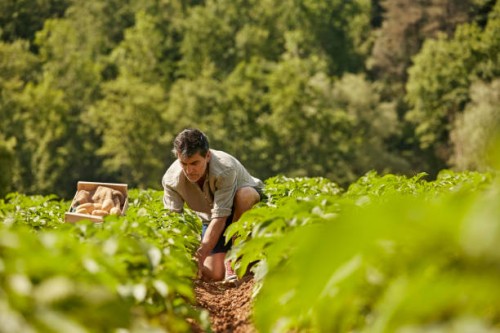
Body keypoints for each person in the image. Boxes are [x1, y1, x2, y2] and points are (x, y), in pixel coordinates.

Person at [162, 128, 264, 282]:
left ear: (207, 155)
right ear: (178, 157)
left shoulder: (225, 169)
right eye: (184, 163)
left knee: (245, 195)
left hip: (242, 210)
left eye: (195, 163)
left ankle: (236, 256)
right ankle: (226, 261)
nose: (189, 170)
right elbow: (172, 220)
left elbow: (221, 217)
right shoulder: (171, 180)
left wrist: (200, 255)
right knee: (214, 274)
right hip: (211, 217)